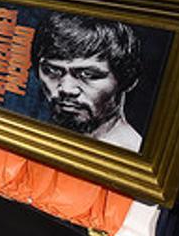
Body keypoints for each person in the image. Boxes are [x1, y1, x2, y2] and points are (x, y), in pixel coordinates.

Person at [33, 12, 143, 151]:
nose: (66, 89)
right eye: (52, 71)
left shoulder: (130, 154)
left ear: (128, 80)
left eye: (88, 74)